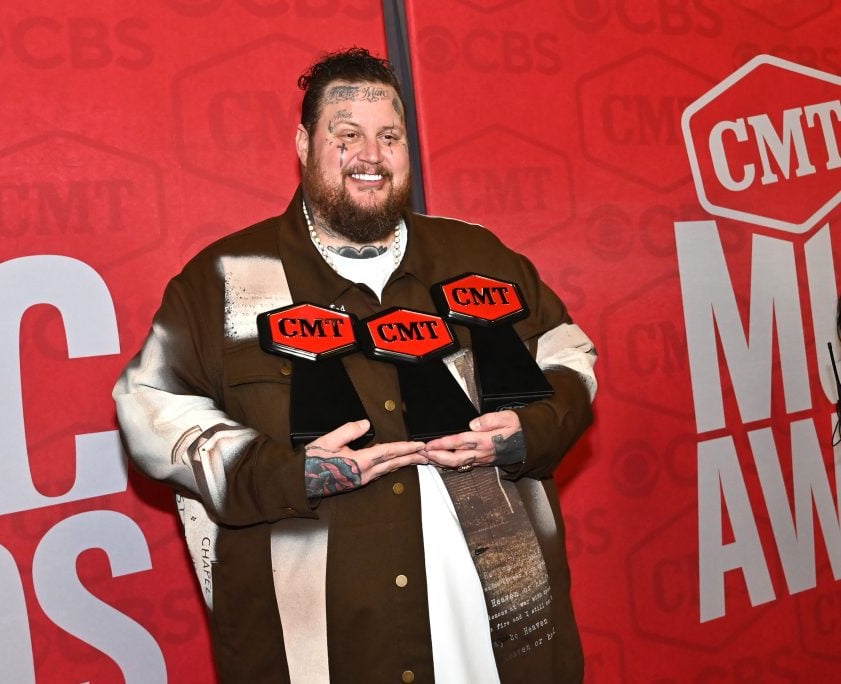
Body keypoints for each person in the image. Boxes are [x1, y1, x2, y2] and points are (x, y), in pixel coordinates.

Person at [114, 47, 597, 683]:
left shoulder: (478, 254)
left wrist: (526, 433)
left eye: (388, 136)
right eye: (347, 135)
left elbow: (570, 356)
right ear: (304, 143)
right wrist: (289, 473)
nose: (370, 155)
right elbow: (148, 409)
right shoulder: (226, 280)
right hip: (320, 652)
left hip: (504, 633)